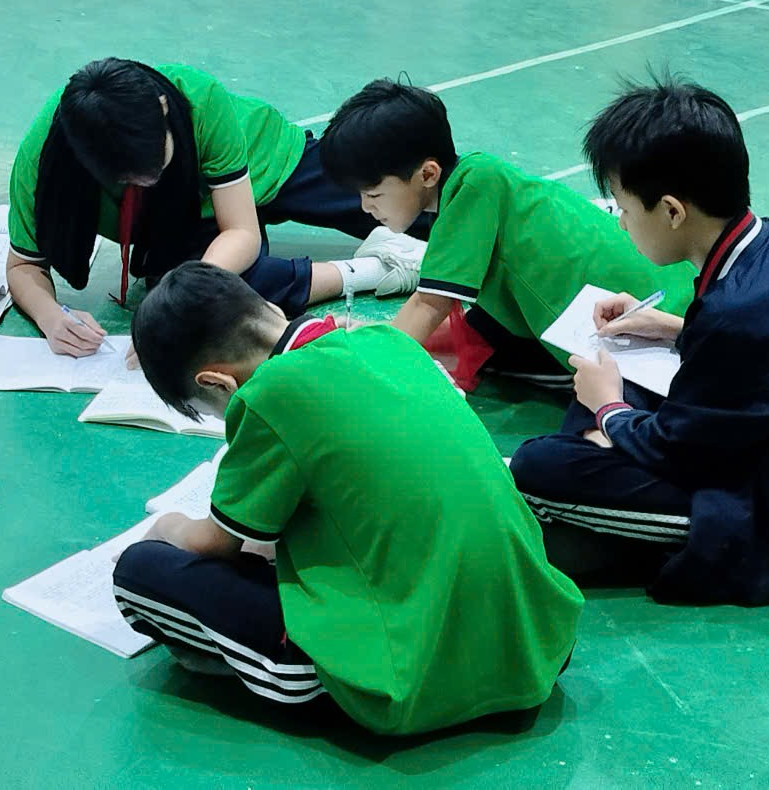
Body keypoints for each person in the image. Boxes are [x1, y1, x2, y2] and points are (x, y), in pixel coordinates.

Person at [113, 262, 582, 734]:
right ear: (271, 309)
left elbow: (214, 544)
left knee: (139, 570)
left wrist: (169, 526)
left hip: (409, 678)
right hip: (535, 641)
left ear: (216, 383)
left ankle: (290, 667)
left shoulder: (269, 394)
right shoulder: (390, 341)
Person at [509, 76, 769, 606]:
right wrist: (671, 328)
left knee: (540, 466)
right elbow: (768, 353)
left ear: (671, 211)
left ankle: (624, 530)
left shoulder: (735, 311)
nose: (621, 224)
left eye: (623, 208)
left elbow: (680, 449)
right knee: (623, 363)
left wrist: (609, 411)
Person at [6, 59, 410, 357]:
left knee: (390, 193)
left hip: (264, 159)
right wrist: (50, 316)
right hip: (184, 221)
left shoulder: (200, 100)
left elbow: (242, 231)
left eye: (153, 166)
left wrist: (181, 294)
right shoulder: (44, 158)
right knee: (222, 301)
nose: (142, 182)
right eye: (125, 178)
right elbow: (23, 266)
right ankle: (375, 269)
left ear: (165, 109)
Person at [319, 78, 695, 388]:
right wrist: (371, 332)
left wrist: (361, 359)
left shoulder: (475, 186)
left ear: (428, 174)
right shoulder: (483, 183)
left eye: (373, 194)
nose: (366, 207)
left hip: (658, 324)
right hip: (667, 301)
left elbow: (429, 304)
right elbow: (478, 324)